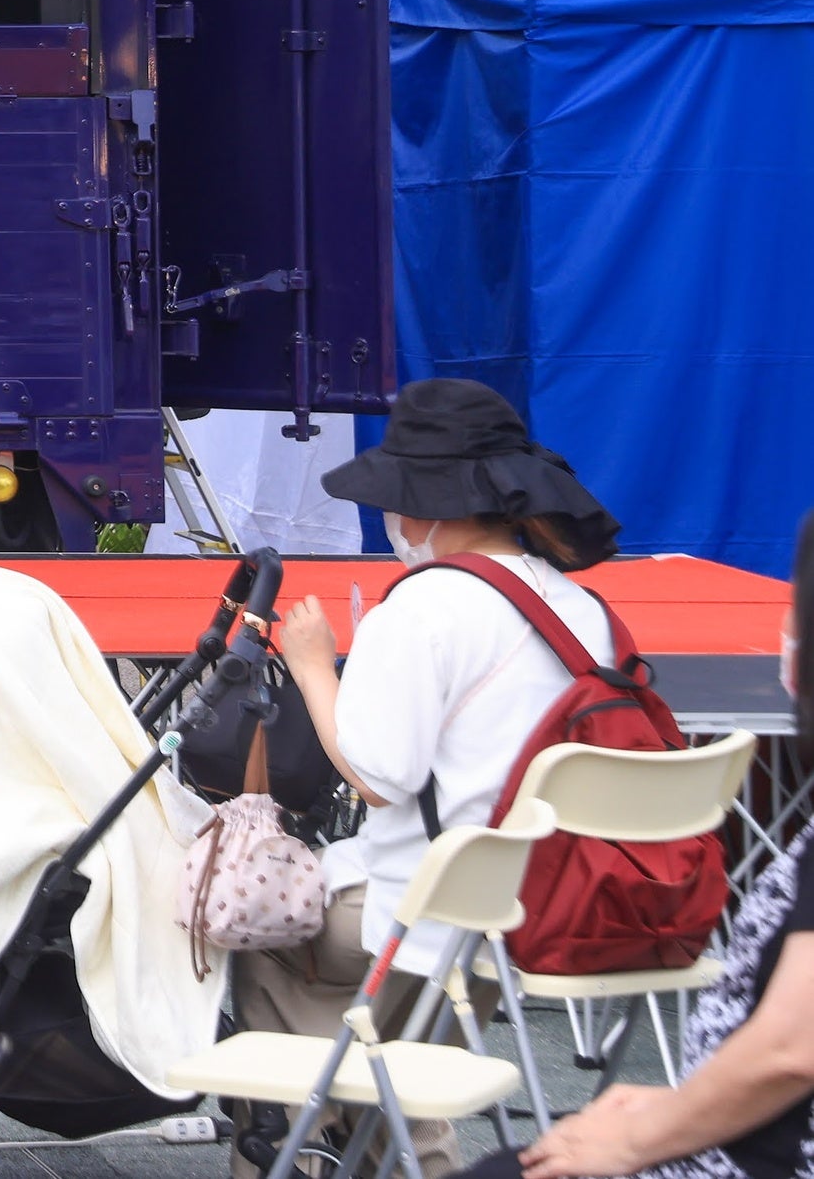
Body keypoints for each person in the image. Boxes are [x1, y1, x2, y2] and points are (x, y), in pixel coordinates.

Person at [228, 380, 635, 1179]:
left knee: (259, 926)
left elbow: (378, 779)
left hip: (426, 913)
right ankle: (393, 1135)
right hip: (532, 904)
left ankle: (298, 1145)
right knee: (396, 1027)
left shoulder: (420, 609)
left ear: (422, 508)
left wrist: (313, 668)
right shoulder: (584, 609)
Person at [484, 506, 814, 1179]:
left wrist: (644, 1137)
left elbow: (793, 1049)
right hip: (733, 1114)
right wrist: (680, 1107)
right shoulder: (590, 616)